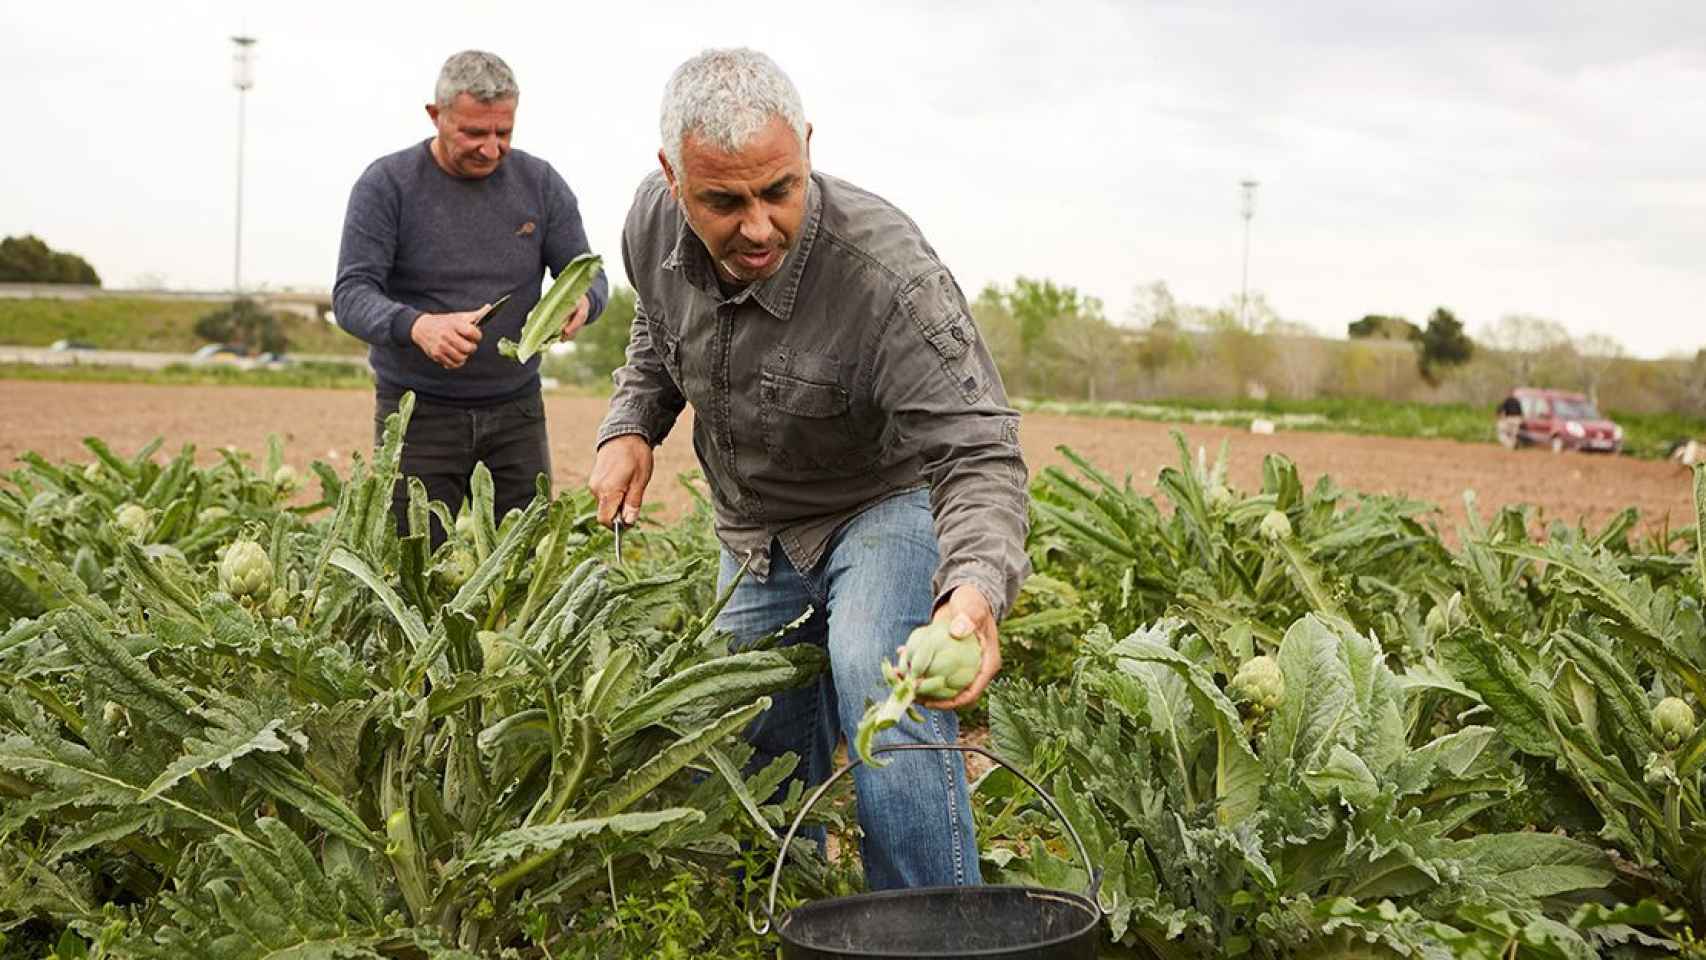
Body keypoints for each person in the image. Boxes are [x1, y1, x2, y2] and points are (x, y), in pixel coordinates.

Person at [587, 48, 1029, 890]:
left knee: (882, 678)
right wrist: (631, 424)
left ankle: (935, 925)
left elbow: (979, 450)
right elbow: (657, 326)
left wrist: (970, 598)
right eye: (724, 201)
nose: (757, 226)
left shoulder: (888, 278)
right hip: (753, 527)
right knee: (756, 724)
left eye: (779, 191)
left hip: (882, 498)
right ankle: (791, 908)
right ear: (672, 179)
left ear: (808, 151)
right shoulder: (648, 223)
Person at [334, 50, 608, 538]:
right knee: (413, 564)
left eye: (503, 132)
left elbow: (587, 275)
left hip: (517, 412)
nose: (491, 148)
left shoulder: (540, 184)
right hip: (416, 414)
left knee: (525, 564)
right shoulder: (387, 186)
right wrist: (419, 327)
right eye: (474, 134)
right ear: (435, 116)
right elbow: (352, 295)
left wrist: (581, 304)